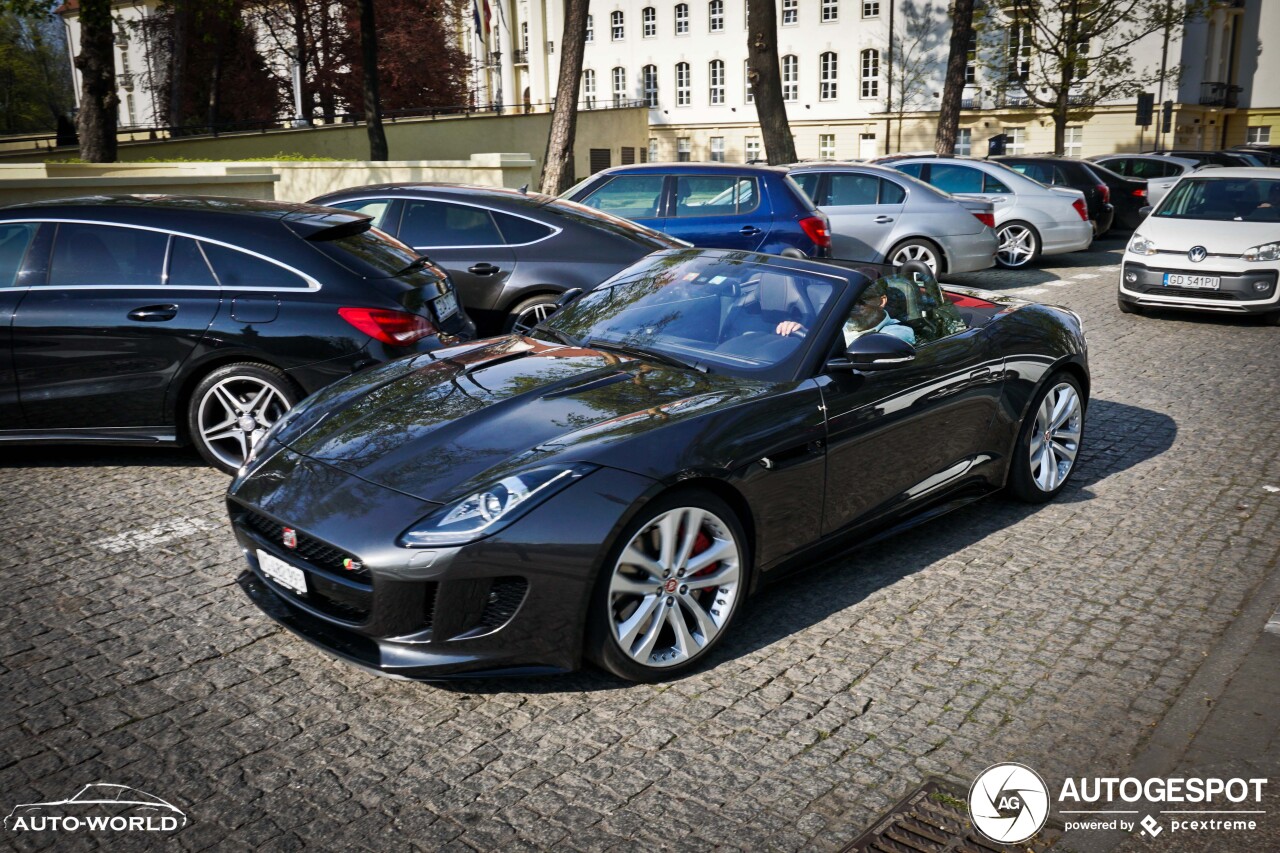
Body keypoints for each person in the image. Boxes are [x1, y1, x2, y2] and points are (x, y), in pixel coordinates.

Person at [776, 279, 917, 346]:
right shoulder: (837, 322)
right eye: (849, 300)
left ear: (881, 301)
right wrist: (800, 331)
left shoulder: (898, 332)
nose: (854, 306)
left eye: (863, 300)